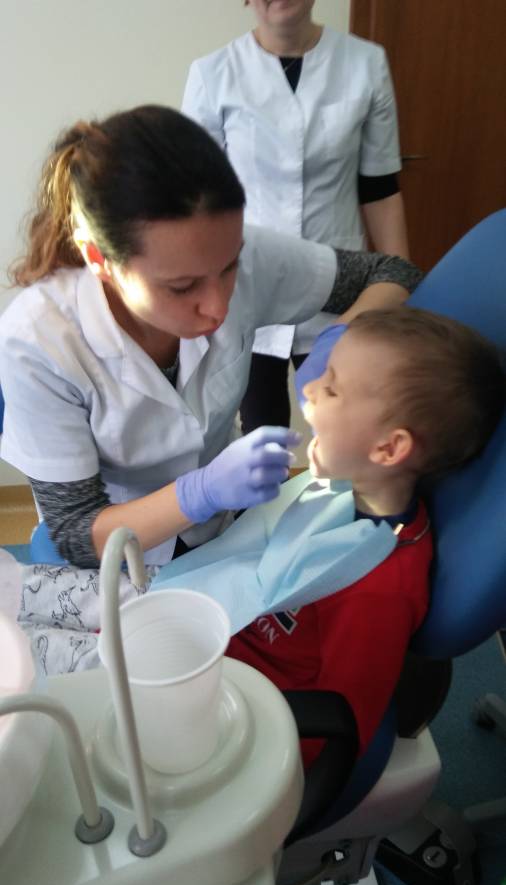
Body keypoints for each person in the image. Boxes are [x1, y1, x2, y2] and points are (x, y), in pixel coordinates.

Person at [13, 308, 505, 770]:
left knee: (17, 669)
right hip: (206, 599)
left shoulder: (379, 589)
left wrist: (252, 782)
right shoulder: (336, 491)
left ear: (389, 448)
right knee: (16, 589)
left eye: (332, 388)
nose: (309, 390)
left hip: (210, 683)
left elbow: (338, 726)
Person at [0, 104, 421, 568]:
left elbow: (393, 272)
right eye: (182, 287)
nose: (218, 306)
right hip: (124, 549)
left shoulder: (244, 254)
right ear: (100, 260)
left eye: (229, 267)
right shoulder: (39, 339)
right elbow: (76, 533)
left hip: (229, 524)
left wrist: (340, 338)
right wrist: (198, 493)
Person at [182, 0, 409, 434]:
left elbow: (379, 187)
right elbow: (197, 199)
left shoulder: (366, 63)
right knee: (260, 430)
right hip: (250, 282)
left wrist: (400, 287)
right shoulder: (212, 74)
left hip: (341, 282)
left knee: (349, 427)